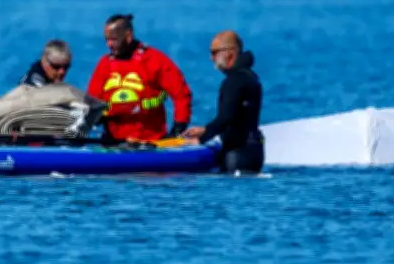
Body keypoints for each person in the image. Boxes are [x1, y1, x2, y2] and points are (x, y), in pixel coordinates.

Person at [86, 13, 193, 142]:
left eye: (113, 39)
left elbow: (181, 94)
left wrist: (178, 128)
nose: (108, 44)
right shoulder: (104, 64)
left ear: (128, 36)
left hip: (149, 141)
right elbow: (92, 101)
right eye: (106, 39)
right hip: (113, 140)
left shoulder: (154, 60)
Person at [182, 30, 264, 174]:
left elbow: (226, 117)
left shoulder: (233, 81)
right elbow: (238, 118)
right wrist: (205, 129)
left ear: (230, 54)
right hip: (255, 152)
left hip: (238, 154)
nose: (211, 58)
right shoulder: (251, 77)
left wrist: (202, 139)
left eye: (214, 53)